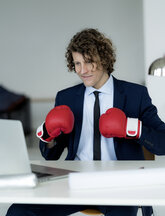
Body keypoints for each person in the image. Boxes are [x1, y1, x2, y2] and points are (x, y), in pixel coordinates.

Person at [6, 28, 165, 216]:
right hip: (75, 182)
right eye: (77, 63)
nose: (82, 70)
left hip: (120, 184)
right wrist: (49, 136)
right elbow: (51, 155)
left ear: (104, 59)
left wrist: (132, 128)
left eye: (88, 62)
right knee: (18, 211)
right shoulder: (67, 97)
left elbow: (162, 143)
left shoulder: (135, 95)